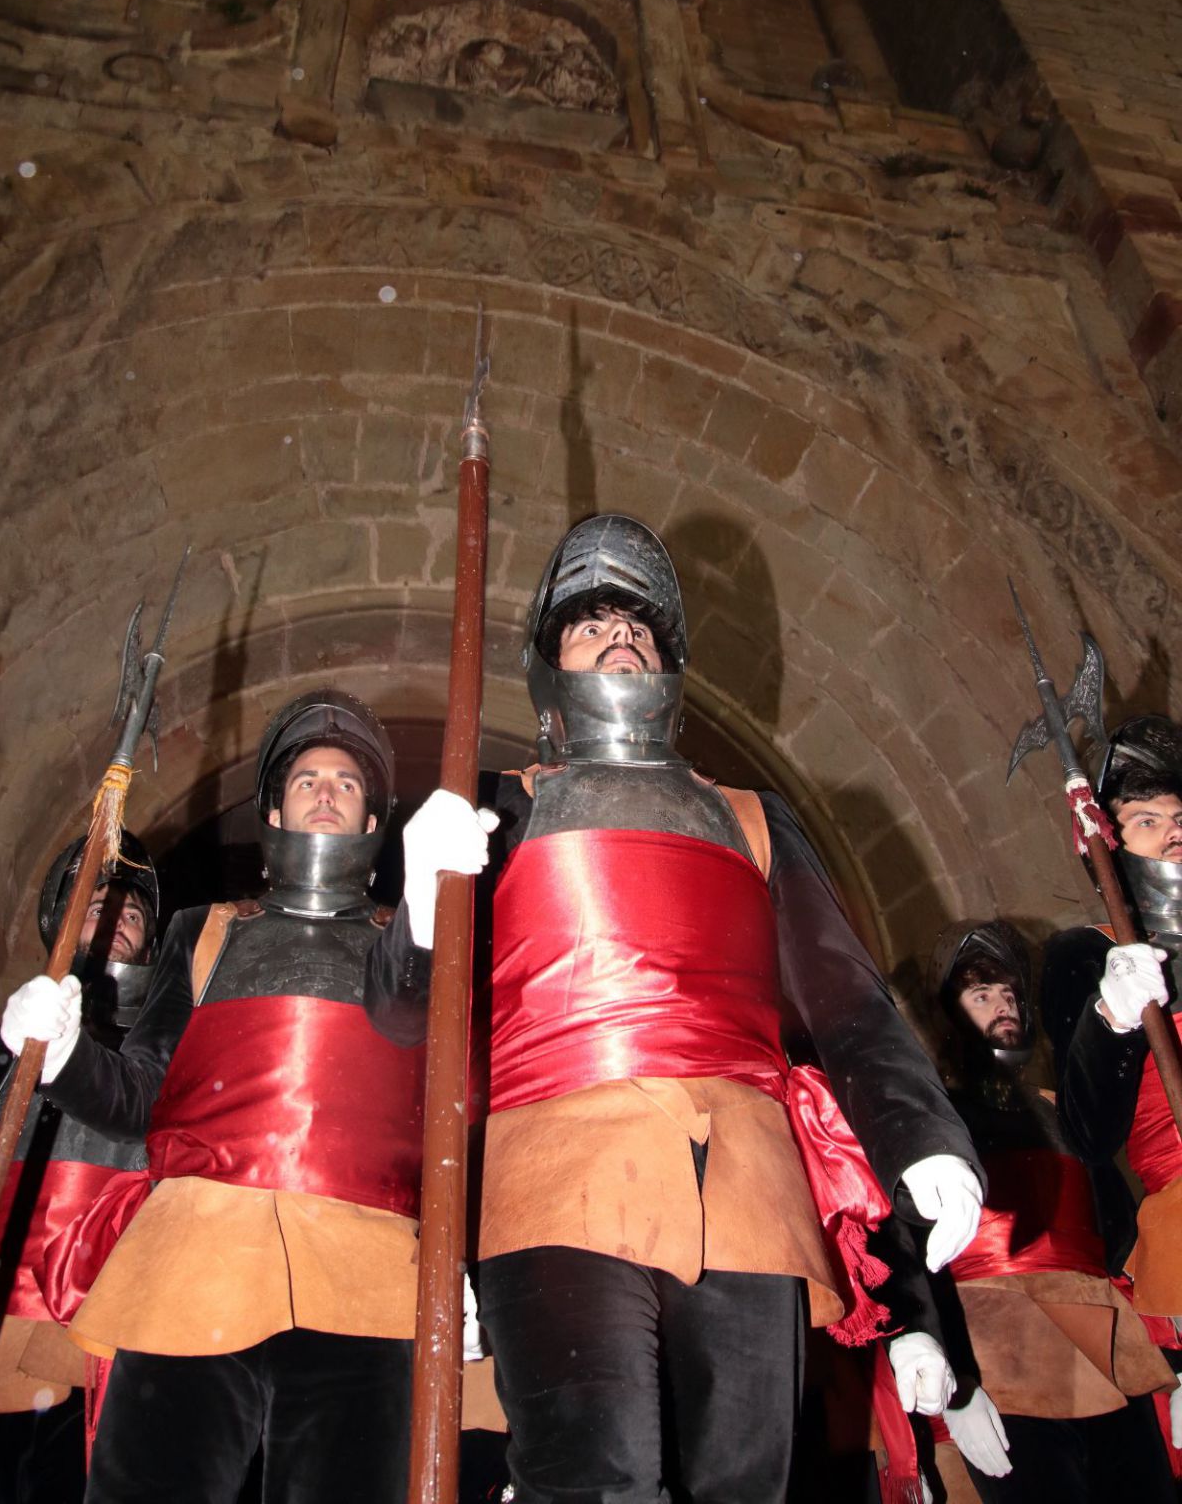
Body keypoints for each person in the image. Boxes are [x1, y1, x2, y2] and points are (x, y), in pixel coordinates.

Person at [370, 514, 986, 1504]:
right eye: (589, 624)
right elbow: (409, 1026)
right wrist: (419, 905)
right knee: (597, 1473)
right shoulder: (495, 806)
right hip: (552, 1177)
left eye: (637, 625)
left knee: (743, 1482)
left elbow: (847, 1002)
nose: (620, 636)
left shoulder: (751, 816)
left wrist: (923, 1137)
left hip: (746, 1185)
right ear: (549, 672)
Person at [0, 688, 489, 1504]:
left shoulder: (410, 941)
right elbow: (143, 1097)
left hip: (365, 1275)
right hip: (195, 1258)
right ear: (272, 812)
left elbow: (423, 1047)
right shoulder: (203, 931)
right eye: (306, 779)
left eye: (346, 782)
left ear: (374, 822)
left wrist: (426, 907)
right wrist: (64, 1056)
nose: (326, 791)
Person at [0, 836, 157, 1504]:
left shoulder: (158, 1070)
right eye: (97, 906)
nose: (115, 918)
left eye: (132, 912)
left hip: (102, 1341)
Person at [902, 920, 1174, 1502]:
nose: (1004, 1006)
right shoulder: (927, 1118)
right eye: (981, 994)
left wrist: (1177, 1357)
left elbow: (1120, 1237)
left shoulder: (1057, 1110)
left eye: (1009, 994)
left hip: (1098, 1342)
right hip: (997, 1353)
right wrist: (958, 1385)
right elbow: (904, 1250)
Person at [1043, 714, 1182, 1475]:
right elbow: (1088, 1131)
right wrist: (1113, 1016)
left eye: (1180, 817)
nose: (1174, 832)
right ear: (1107, 842)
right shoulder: (1085, 953)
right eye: (1147, 819)